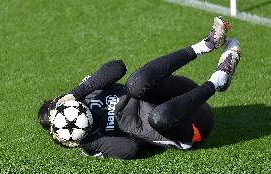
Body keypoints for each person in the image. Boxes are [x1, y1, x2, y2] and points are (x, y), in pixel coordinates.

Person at [38, 16, 241, 159]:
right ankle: (218, 80)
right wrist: (86, 140)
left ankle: (207, 44)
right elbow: (130, 148)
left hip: (182, 92)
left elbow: (117, 67)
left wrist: (76, 92)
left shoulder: (87, 93)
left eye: (59, 104)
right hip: (191, 127)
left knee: (135, 84)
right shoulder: (91, 142)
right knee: (157, 118)